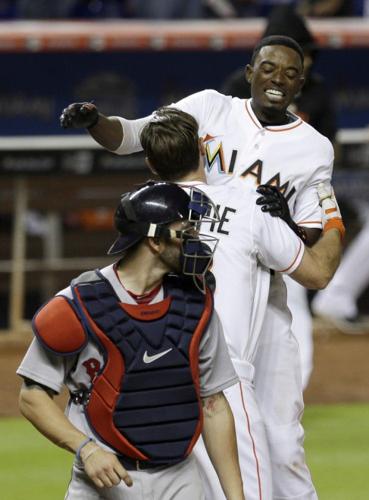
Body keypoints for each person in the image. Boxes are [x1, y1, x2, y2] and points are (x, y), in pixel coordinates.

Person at [60, 35, 335, 500]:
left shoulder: (313, 148)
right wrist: (96, 122)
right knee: (199, 416)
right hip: (194, 278)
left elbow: (312, 241)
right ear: (250, 72)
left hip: (260, 293)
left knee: (282, 439)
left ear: (301, 84)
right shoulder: (210, 107)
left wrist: (286, 220)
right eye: (268, 68)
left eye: (290, 73)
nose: (277, 80)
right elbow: (133, 135)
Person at [137, 106, 344, 500]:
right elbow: (318, 273)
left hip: (150, 388)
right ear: (203, 147)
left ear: (150, 164)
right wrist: (330, 217)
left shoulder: (137, 213)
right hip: (224, 381)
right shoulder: (248, 205)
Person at [17, 181, 245, 500]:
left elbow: (214, 406)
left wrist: (237, 497)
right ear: (153, 240)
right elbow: (32, 395)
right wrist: (85, 449)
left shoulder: (194, 306)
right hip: (104, 482)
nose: (197, 243)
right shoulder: (78, 305)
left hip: (181, 480)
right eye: (186, 232)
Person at [221, 4, 338, 389]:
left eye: (301, 55)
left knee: (293, 297)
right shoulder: (235, 92)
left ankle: (293, 385)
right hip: (233, 214)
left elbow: (321, 163)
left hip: (289, 210)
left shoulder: (317, 95)